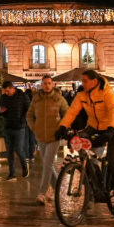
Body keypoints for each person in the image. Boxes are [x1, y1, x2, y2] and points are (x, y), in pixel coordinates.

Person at [55, 70, 114, 210]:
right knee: (84, 154)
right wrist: (63, 127)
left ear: (94, 81)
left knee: (112, 161)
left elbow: (113, 110)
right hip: (94, 127)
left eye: (85, 81)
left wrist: (111, 129)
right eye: (82, 81)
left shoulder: (107, 92)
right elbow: (72, 111)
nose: (83, 84)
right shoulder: (82, 95)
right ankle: (95, 187)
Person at [26, 75, 68, 203]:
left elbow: (67, 115)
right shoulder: (36, 99)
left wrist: (61, 128)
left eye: (49, 83)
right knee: (47, 165)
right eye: (45, 83)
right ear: (42, 85)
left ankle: (42, 193)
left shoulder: (59, 99)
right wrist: (34, 128)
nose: (47, 86)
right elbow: (29, 115)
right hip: (40, 136)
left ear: (53, 84)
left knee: (47, 164)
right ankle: (57, 190)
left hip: (54, 136)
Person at [0, 80, 30, 179]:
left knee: (18, 149)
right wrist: (0, 111)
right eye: (5, 91)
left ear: (13, 88)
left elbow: (28, 109)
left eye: (8, 91)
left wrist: (23, 119)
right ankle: (12, 173)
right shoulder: (4, 97)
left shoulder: (22, 96)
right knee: (9, 152)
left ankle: (24, 165)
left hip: (19, 127)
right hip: (8, 127)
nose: (7, 93)